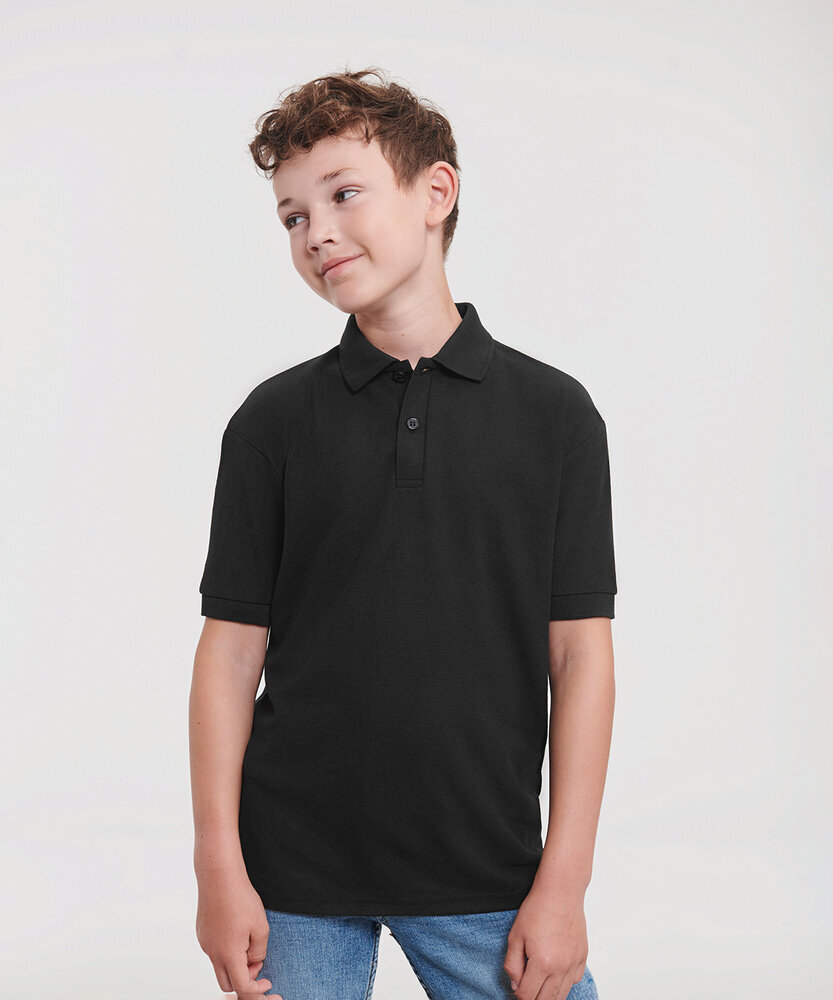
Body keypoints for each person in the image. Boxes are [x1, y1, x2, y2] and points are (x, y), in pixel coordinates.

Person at [190, 66, 617, 1000]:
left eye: (343, 194)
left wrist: (565, 883)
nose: (316, 232)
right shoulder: (272, 422)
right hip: (292, 871)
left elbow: (580, 654)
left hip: (487, 869)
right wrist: (217, 865)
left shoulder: (554, 416)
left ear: (435, 193)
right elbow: (229, 653)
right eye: (293, 216)